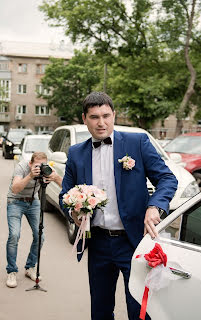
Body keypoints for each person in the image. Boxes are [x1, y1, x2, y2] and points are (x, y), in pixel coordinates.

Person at [59, 92, 178, 319]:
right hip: (98, 244)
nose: (101, 123)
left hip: (133, 240)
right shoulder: (76, 153)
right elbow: (64, 195)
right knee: (101, 310)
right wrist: (73, 212)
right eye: (94, 117)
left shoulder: (137, 143)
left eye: (106, 116)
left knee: (139, 311)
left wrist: (155, 207)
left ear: (114, 115)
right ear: (84, 119)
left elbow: (167, 179)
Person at [6, 151, 62, 288]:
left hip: (33, 202)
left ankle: (30, 267)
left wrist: (54, 177)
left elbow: (64, 184)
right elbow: (15, 189)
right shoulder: (22, 167)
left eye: (43, 165)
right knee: (14, 235)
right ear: (30, 163)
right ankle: (11, 271)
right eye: (37, 165)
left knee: (40, 236)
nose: (40, 168)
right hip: (15, 201)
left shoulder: (46, 168)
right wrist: (30, 175)